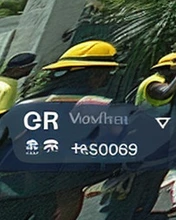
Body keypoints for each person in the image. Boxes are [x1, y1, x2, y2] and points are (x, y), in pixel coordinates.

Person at [1, 41, 122, 220]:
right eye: (106, 73)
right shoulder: (100, 108)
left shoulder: (27, 105)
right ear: (96, 75)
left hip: (16, 189)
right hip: (61, 190)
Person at [92, 53, 176, 219]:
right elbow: (164, 93)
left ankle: (140, 213)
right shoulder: (153, 83)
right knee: (131, 186)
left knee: (149, 186)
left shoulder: (170, 84)